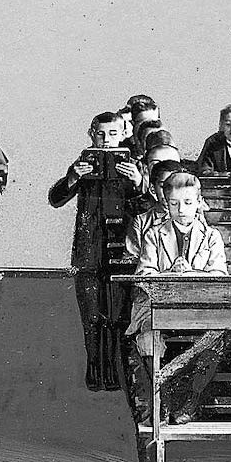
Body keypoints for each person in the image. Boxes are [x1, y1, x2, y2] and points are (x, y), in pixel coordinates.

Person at [49, 111, 145, 391]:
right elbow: (55, 199)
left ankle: (113, 369)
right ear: (91, 134)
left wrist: (138, 181)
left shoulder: (134, 165)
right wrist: (71, 177)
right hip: (89, 250)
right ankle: (94, 367)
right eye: (100, 134)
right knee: (91, 313)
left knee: (116, 314)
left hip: (121, 248)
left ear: (124, 134)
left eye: (112, 134)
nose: (106, 140)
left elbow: (147, 206)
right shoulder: (83, 162)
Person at [126, 172, 229, 424]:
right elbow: (145, 275)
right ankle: (163, 400)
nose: (181, 209)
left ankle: (191, 399)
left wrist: (191, 273)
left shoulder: (211, 236)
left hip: (199, 309)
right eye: (174, 204)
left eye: (188, 203)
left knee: (216, 337)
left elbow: (219, 275)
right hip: (158, 307)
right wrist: (169, 274)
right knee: (149, 338)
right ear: (166, 203)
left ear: (199, 202)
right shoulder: (154, 235)